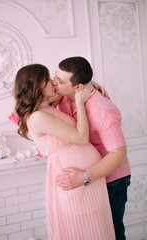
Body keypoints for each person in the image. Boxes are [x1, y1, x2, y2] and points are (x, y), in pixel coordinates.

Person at [14, 63, 115, 240]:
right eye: (47, 80)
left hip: (89, 180)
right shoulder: (38, 117)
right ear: (36, 86)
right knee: (83, 231)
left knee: (95, 228)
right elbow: (81, 137)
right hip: (74, 179)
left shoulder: (46, 106)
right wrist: (80, 102)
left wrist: (89, 84)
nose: (53, 82)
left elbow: (68, 90)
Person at [54, 56, 131, 240]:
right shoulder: (64, 94)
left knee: (112, 234)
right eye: (54, 76)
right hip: (91, 178)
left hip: (111, 181)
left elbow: (119, 155)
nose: (53, 82)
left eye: (60, 81)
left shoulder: (102, 109)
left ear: (79, 87)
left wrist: (84, 176)